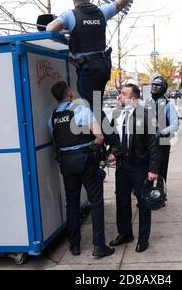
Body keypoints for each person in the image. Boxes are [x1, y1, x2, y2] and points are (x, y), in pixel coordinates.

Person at [47, 81, 114, 258]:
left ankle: (74, 246)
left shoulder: (52, 117)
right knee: (96, 202)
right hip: (85, 160)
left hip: (66, 163)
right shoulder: (81, 110)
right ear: (69, 93)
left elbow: (56, 141)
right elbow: (99, 137)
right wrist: (94, 148)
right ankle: (99, 246)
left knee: (72, 204)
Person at [45, 0, 131, 111]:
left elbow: (50, 28)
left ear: (74, 3)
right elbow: (124, 0)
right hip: (103, 68)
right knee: (96, 106)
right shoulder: (102, 12)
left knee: (91, 109)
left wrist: (67, 27)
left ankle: (104, 133)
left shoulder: (70, 15)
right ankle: (101, 131)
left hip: (88, 70)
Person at [107, 84, 161, 253]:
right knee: (122, 201)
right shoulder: (117, 114)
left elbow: (154, 145)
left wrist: (153, 169)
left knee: (144, 202)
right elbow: (114, 138)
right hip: (122, 167)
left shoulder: (146, 116)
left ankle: (143, 239)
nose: (119, 97)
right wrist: (112, 152)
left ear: (133, 98)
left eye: (123, 94)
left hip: (140, 168)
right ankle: (125, 234)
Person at [144, 76, 179, 199]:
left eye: (157, 85)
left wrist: (161, 131)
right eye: (153, 84)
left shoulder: (168, 105)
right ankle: (146, 194)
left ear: (163, 89)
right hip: (148, 142)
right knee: (147, 167)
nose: (154, 87)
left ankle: (160, 195)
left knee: (162, 169)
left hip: (163, 141)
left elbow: (175, 124)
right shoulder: (146, 103)